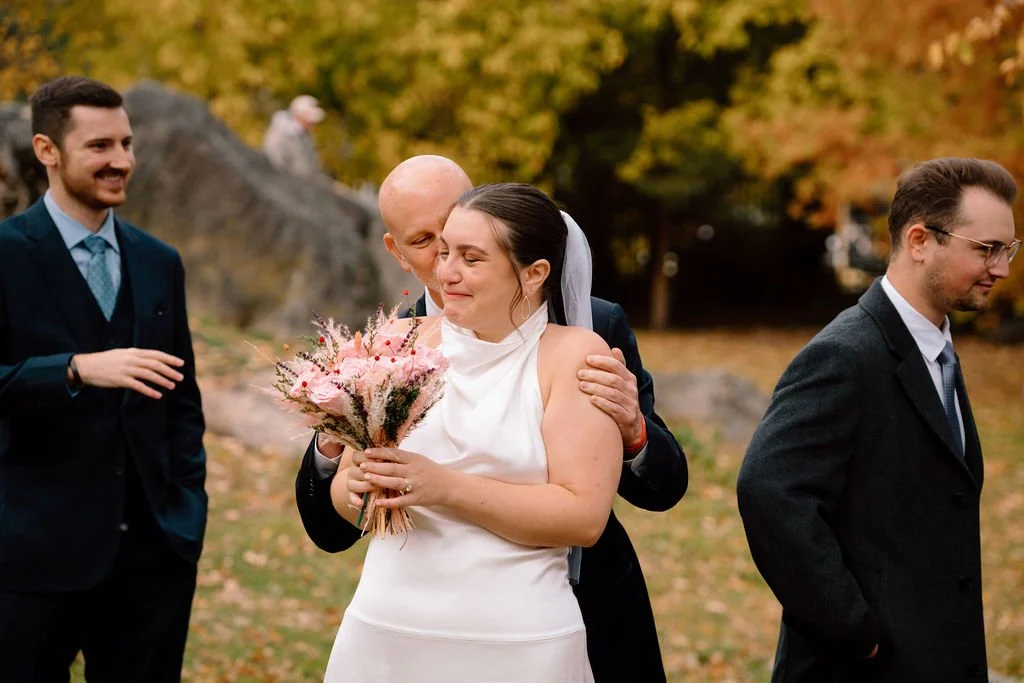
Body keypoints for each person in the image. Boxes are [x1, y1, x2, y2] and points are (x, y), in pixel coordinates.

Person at [296, 156, 687, 682]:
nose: (443, 262)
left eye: (459, 239)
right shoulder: (392, 342)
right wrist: (339, 449)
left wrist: (634, 433)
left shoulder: (590, 331)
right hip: (398, 621)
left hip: (556, 609)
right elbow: (336, 515)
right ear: (398, 254)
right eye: (425, 243)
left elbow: (650, 491)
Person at [736, 157, 1020, 682]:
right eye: (985, 249)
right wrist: (852, 631)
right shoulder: (844, 355)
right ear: (919, 241)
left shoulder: (937, 348)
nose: (1001, 268)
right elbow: (769, 490)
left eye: (1007, 249)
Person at [0, 76, 207, 682]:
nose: (121, 161)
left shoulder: (158, 261)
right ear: (47, 151)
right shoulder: (5, 255)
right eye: (100, 146)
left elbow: (182, 404)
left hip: (152, 560)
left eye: (127, 143)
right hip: (29, 559)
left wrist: (186, 514)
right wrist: (73, 369)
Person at [262, 94, 325, 178]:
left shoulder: (304, 136)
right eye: (309, 118)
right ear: (298, 115)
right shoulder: (277, 136)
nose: (313, 123)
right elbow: (276, 166)